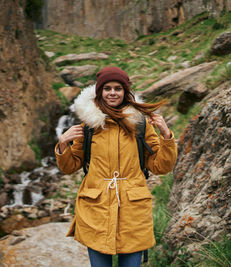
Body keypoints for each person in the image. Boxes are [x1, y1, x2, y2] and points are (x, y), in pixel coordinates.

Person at [55, 66, 177, 267]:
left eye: (118, 88)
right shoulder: (89, 125)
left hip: (133, 212)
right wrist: (62, 144)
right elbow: (70, 167)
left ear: (125, 92)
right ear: (100, 92)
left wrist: (166, 135)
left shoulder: (140, 124)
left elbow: (160, 167)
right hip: (96, 209)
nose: (112, 93)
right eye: (107, 88)